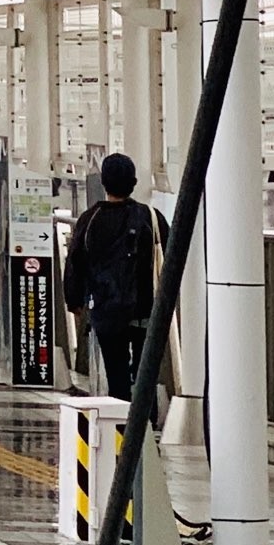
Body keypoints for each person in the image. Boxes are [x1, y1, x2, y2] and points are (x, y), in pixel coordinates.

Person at [63, 153, 167, 401]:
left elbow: (76, 262)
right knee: (145, 373)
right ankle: (145, 423)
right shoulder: (149, 217)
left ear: (104, 182)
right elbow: (170, 256)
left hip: (106, 311)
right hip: (144, 308)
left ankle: (123, 427)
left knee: (116, 373)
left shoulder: (90, 219)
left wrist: (74, 300)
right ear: (133, 182)